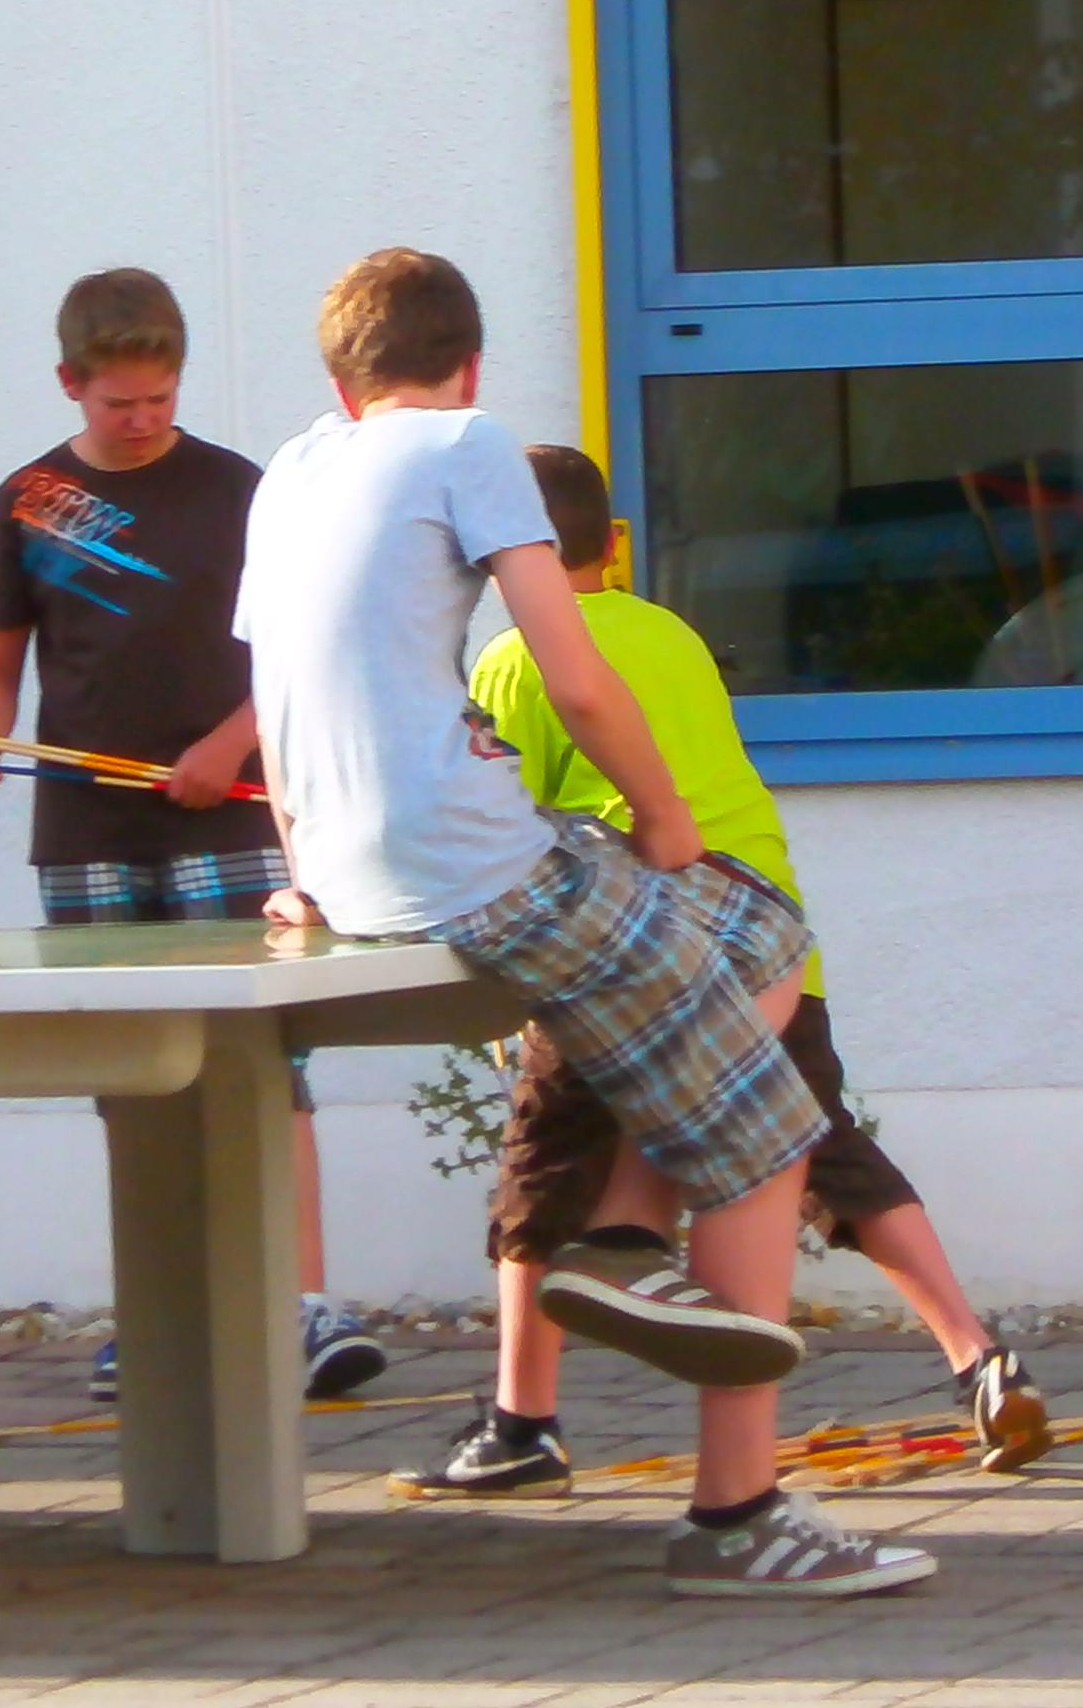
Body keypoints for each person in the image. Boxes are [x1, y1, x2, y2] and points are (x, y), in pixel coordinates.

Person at [238, 247, 933, 1599]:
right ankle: (738, 1513)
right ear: (470, 366)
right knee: (766, 1099)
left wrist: (307, 870)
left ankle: (621, 1239)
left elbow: (276, 705)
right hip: (479, 864)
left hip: (344, 867)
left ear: (342, 384)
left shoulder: (291, 472)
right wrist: (663, 817)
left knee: (745, 950)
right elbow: (579, 673)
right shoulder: (469, 442)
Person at [396, 443, 1049, 1501]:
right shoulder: (675, 634)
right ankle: (978, 1357)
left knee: (548, 1155)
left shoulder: (518, 658)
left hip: (632, 941)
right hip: (769, 927)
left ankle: (524, 1420)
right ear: (609, 541)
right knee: (824, 1148)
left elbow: (505, 821)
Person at [0, 266, 387, 1405]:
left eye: (159, 399)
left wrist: (231, 743)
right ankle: (159, 1317)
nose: (141, 420)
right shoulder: (27, 502)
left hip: (233, 820)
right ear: (69, 383)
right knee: (133, 1079)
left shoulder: (240, 489)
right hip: (86, 827)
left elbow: (298, 653)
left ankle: (302, 1304)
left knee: (265, 1064)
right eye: (117, 402)